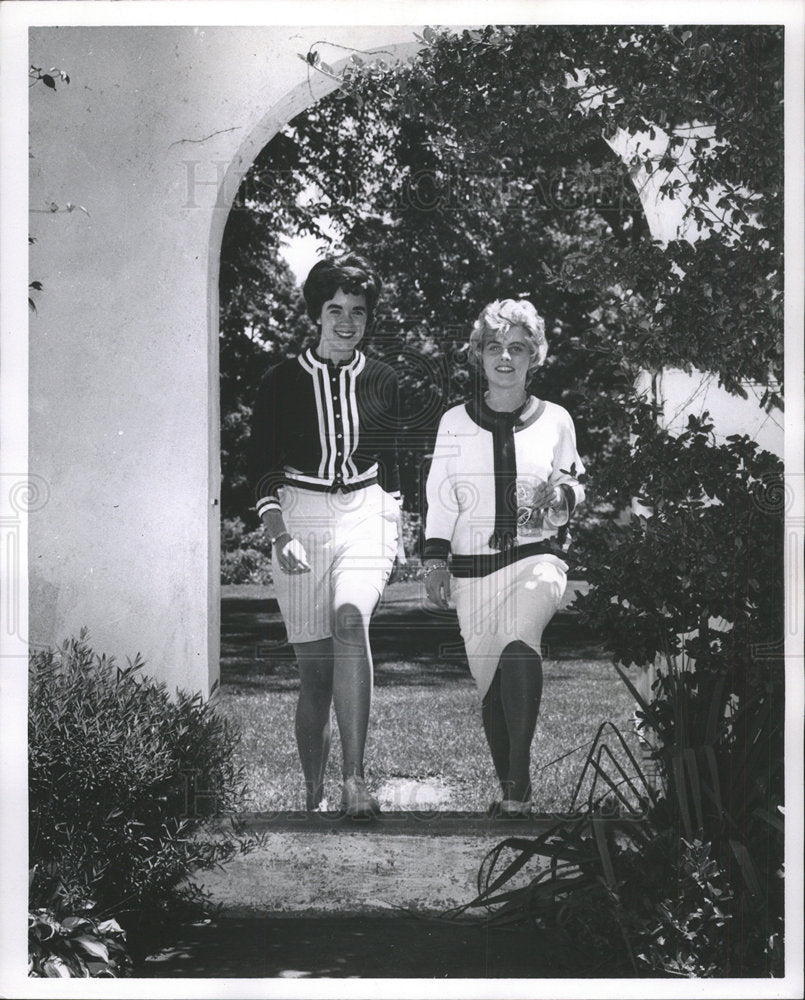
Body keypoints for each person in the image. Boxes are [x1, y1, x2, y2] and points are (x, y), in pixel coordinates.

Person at [249, 253, 404, 818]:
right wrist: (278, 530)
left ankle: (355, 782)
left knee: (350, 617)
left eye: (357, 312)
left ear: (368, 319)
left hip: (366, 511)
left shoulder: (385, 380)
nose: (346, 321)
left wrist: (395, 517)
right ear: (316, 313)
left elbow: (395, 461)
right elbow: (260, 465)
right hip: (299, 519)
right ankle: (312, 792)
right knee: (314, 679)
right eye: (335, 309)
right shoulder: (280, 382)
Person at [423, 299, 585, 817]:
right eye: (495, 347)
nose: (506, 358)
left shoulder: (556, 420)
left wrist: (562, 499)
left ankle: (517, 782)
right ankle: (513, 792)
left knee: (521, 639)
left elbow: (573, 483)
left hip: (537, 559)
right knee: (491, 685)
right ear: (479, 355)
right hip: (472, 573)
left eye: (518, 347)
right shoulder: (453, 422)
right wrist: (434, 561)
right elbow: (440, 496)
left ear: (534, 355)